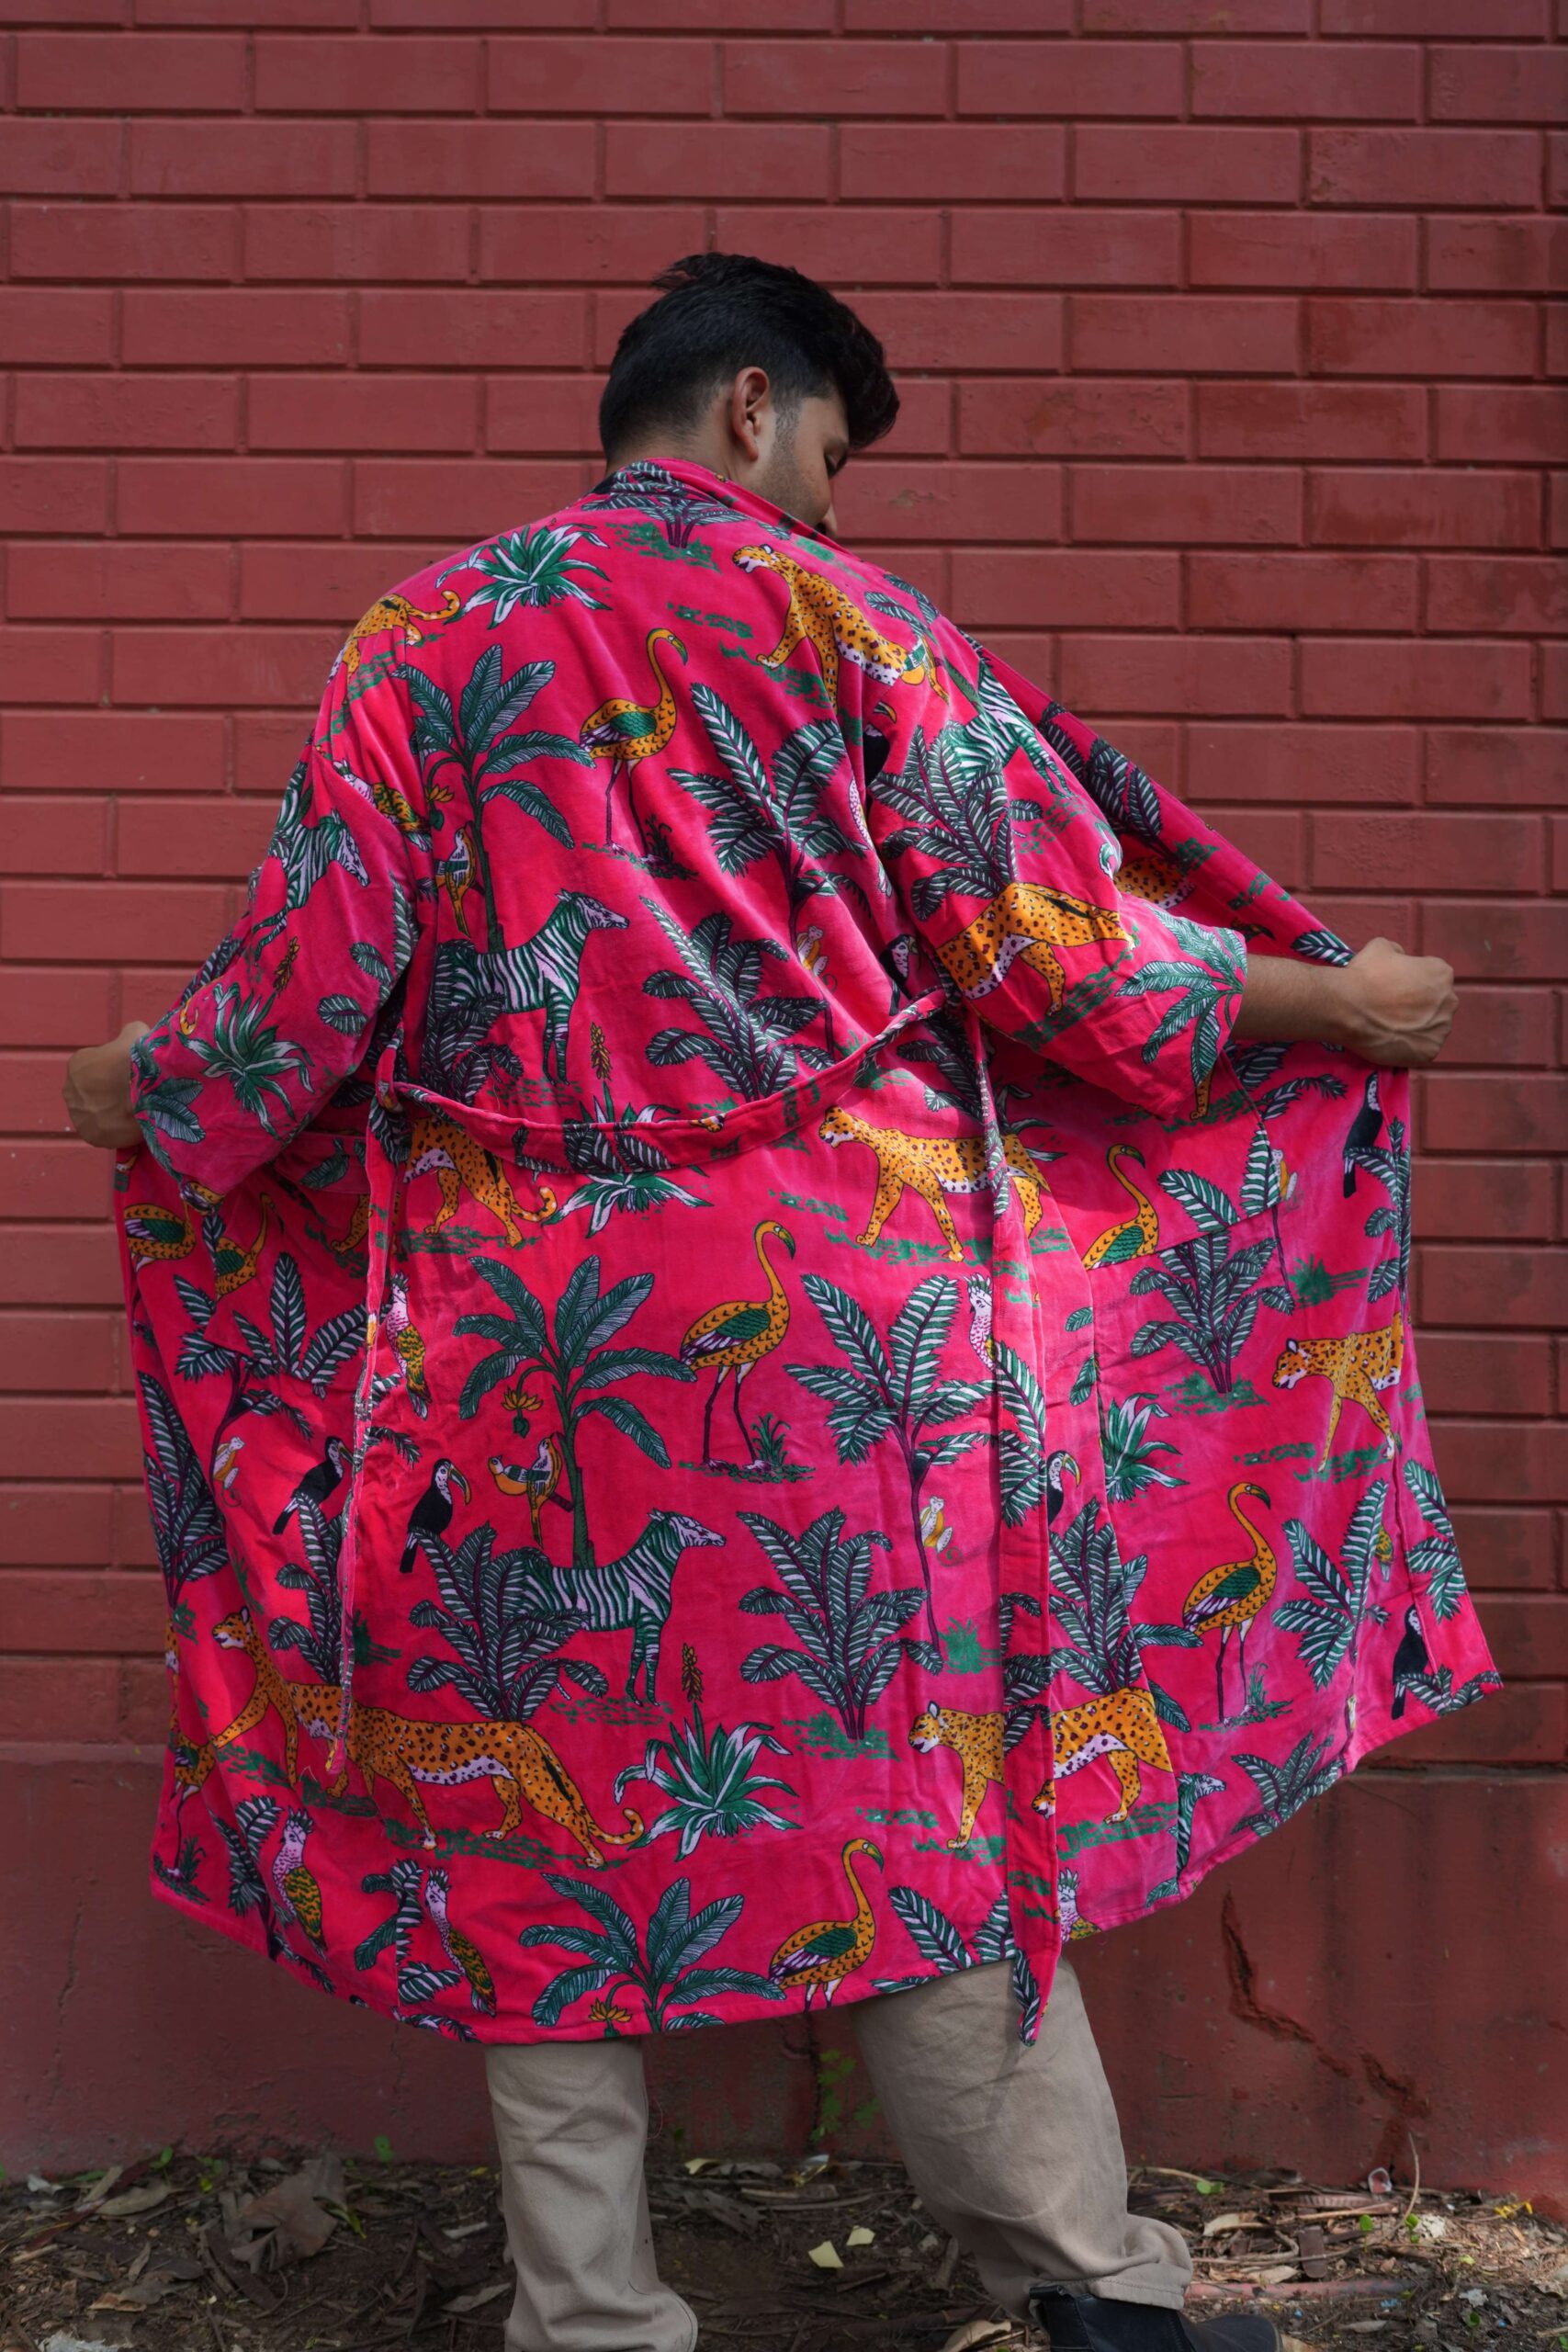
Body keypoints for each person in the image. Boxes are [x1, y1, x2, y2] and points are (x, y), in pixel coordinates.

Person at [65, 254, 1497, 2352]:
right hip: (854, 1354)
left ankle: (592, 2315)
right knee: (921, 1780)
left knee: (530, 1795)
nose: (831, 500)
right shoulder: (865, 633)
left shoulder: (419, 640)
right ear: (753, 408)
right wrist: (1327, 1002)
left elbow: (300, 1005)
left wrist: (147, 1087)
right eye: (830, 452)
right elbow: (1065, 959)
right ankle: (1077, 2285)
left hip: (518, 1356)